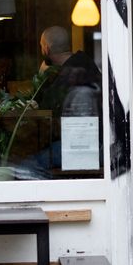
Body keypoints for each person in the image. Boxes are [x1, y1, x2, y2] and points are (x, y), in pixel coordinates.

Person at [35, 26, 102, 170]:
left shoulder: (68, 74)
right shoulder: (84, 64)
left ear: (46, 48)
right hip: (95, 142)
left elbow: (46, 109)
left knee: (29, 165)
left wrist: (42, 79)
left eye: (41, 45)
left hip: (79, 146)